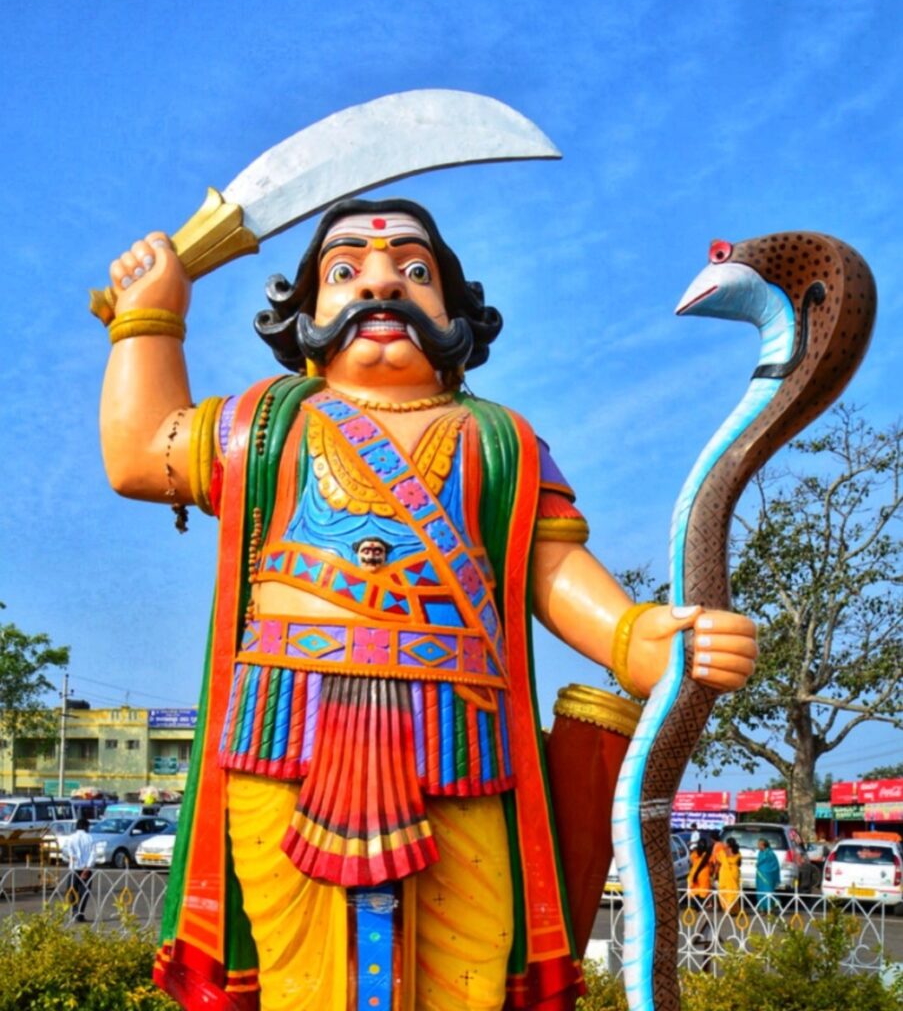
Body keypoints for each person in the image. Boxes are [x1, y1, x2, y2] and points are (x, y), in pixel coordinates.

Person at [99, 199, 759, 1011]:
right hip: (285, 725)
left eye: (415, 272)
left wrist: (637, 636)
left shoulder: (499, 439)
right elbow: (139, 456)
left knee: (466, 962)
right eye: (346, 273)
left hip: (457, 736)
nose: (382, 284)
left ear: (457, 315)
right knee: (300, 972)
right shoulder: (267, 424)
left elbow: (550, 569)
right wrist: (150, 320)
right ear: (303, 315)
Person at [65, 818, 95, 922]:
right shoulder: (90, 838)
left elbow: (68, 853)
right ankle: (80, 913)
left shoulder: (71, 838)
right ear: (85, 827)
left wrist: (74, 861)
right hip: (86, 869)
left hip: (74, 868)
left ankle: (74, 911)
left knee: (72, 891)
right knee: (84, 892)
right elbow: (93, 854)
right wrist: (87, 868)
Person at [716, 837, 742, 914]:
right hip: (734, 872)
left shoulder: (722, 852)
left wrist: (715, 874)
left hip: (724, 873)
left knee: (724, 890)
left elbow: (718, 863)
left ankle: (727, 907)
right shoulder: (737, 852)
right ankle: (733, 909)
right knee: (733, 890)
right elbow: (739, 864)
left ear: (728, 844)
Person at [755, 837, 781, 912]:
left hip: (768, 876)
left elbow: (774, 865)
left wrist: (764, 868)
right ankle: (762, 908)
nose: (758, 846)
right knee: (760, 891)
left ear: (763, 845)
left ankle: (770, 907)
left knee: (768, 890)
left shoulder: (770, 854)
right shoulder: (760, 853)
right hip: (760, 876)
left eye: (759, 845)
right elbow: (759, 862)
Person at [688, 840, 713, 907]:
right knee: (703, 892)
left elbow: (691, 863)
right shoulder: (707, 855)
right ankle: (700, 906)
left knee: (694, 890)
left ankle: (695, 906)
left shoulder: (694, 854)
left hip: (694, 872)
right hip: (704, 874)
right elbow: (711, 863)